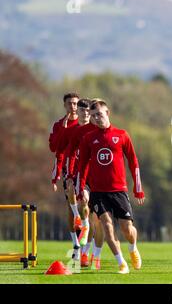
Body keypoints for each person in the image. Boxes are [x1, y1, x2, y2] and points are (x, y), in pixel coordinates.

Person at [76, 100, 146, 274]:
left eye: (99, 114)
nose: (96, 118)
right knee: (106, 226)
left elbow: (133, 161)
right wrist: (81, 189)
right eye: (93, 116)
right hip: (98, 192)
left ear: (107, 113)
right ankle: (122, 263)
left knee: (127, 229)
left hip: (119, 191)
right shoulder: (88, 138)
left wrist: (138, 188)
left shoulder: (121, 135)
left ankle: (132, 247)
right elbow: (82, 166)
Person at [65, 98, 104, 269]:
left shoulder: (98, 129)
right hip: (81, 174)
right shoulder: (75, 132)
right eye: (82, 110)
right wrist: (69, 175)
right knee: (83, 206)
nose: (85, 113)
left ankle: (87, 253)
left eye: (88, 111)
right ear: (78, 112)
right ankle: (81, 226)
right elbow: (70, 155)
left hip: (97, 176)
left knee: (97, 218)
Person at [49, 92, 81, 260]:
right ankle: (76, 243)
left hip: (84, 168)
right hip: (68, 170)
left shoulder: (84, 123)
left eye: (76, 103)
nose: (73, 106)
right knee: (71, 207)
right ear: (65, 105)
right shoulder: (58, 125)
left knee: (86, 206)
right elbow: (54, 148)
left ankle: (86, 245)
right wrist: (63, 128)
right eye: (70, 103)